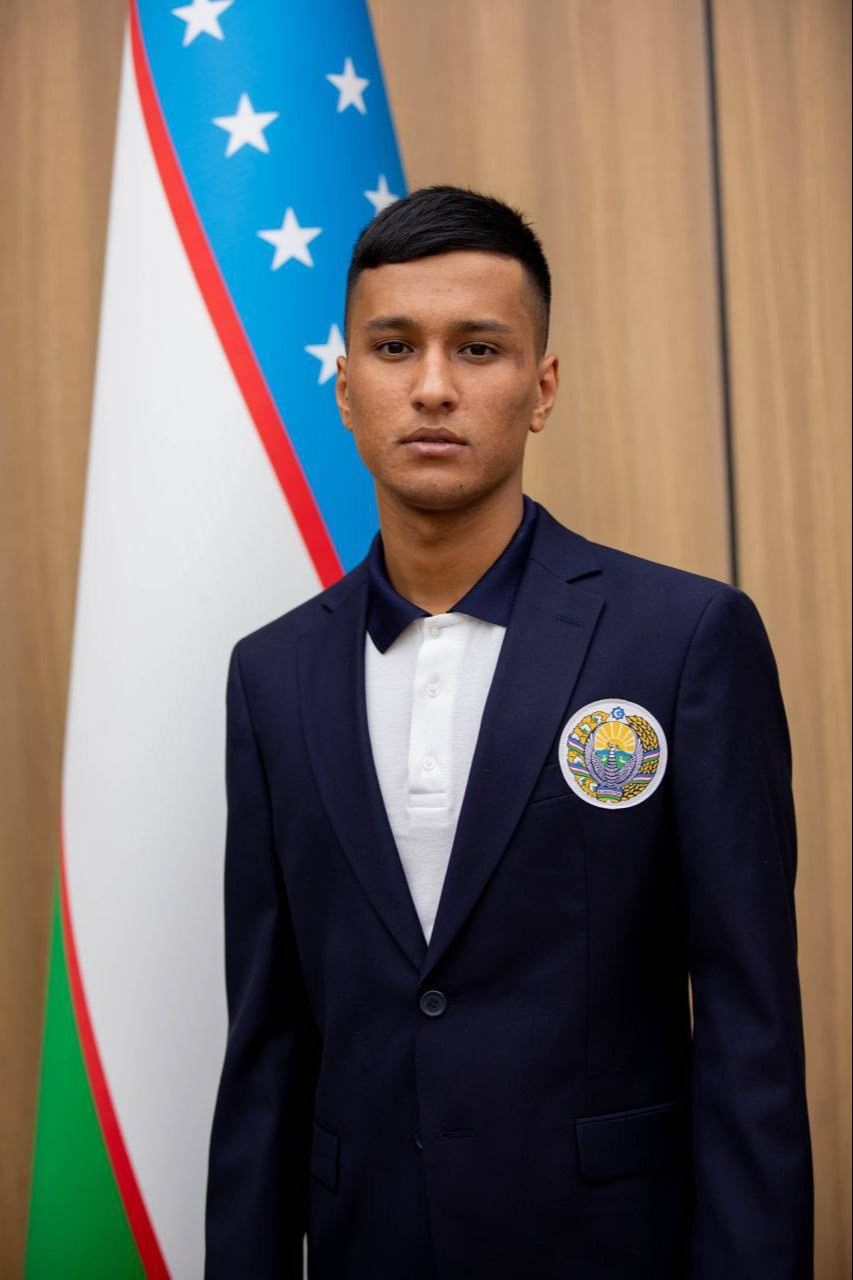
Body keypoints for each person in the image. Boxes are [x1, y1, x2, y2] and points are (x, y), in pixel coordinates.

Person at [204, 186, 813, 1279]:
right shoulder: (272, 674)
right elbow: (267, 1037)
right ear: (345, 387)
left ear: (541, 389)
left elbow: (748, 1024)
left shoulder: (682, 640)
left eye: (477, 349)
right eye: (394, 347)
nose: (433, 386)